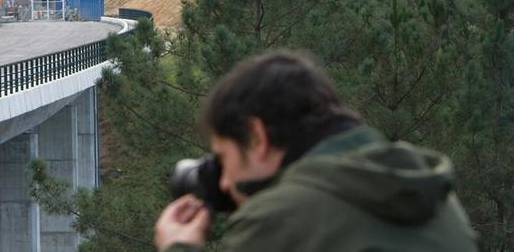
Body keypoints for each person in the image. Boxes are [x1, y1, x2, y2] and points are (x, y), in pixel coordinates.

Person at [154, 50, 477, 252]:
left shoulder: (278, 218)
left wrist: (179, 247)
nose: (224, 184)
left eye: (224, 159)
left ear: (256, 137)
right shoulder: (439, 202)